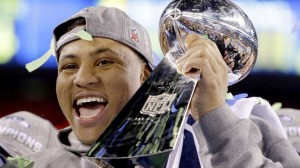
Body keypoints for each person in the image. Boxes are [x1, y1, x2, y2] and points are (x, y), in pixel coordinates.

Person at [5, 5, 300, 168]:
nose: (83, 78)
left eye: (105, 62)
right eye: (68, 66)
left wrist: (215, 116)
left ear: (147, 75)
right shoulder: (36, 161)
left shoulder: (249, 130)